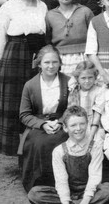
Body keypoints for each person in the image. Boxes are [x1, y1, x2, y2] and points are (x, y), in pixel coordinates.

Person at [0, 0, 47, 156]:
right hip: (15, 54)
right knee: (14, 102)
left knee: (34, 100)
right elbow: (0, 36)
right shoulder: (9, 6)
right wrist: (5, 59)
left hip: (37, 54)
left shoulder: (43, 5)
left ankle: (32, 146)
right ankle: (12, 147)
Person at [27, 106, 109, 204]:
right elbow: (61, 182)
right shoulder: (59, 151)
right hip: (68, 192)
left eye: (82, 124)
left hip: (89, 192)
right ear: (66, 128)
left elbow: (94, 178)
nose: (78, 128)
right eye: (73, 125)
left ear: (87, 124)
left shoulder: (95, 147)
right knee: (34, 193)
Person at [18, 45, 70, 192]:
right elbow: (24, 114)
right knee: (40, 143)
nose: (51, 66)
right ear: (39, 64)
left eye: (55, 62)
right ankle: (41, 184)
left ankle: (65, 182)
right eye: (47, 62)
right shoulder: (30, 85)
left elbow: (71, 107)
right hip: (39, 124)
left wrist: (60, 122)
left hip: (63, 122)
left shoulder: (68, 81)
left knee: (64, 140)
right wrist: (42, 124)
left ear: (60, 63)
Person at [45, 0, 94, 76]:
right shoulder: (50, 15)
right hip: (61, 59)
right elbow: (47, 40)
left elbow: (95, 36)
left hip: (84, 57)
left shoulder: (85, 12)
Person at [67, 61, 105, 141]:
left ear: (95, 77)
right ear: (77, 79)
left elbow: (97, 114)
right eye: (83, 78)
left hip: (94, 125)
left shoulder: (99, 91)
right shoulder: (74, 91)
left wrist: (91, 134)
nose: (87, 81)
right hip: (77, 122)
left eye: (90, 77)